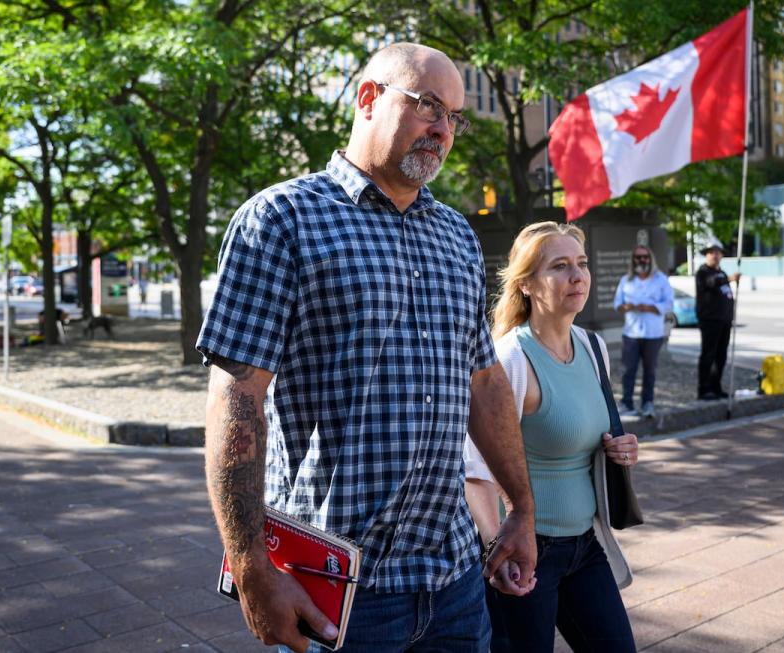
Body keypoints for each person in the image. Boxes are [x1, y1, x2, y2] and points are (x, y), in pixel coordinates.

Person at [196, 43, 537, 653]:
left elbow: (483, 381)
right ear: (368, 98)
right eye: (428, 105)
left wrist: (521, 509)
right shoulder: (280, 220)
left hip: (453, 580)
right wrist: (249, 567)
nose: (443, 128)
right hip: (337, 591)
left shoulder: (457, 234)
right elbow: (237, 397)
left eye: (455, 117)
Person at [464, 222, 638, 653]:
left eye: (580, 264)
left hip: (586, 545)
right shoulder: (510, 358)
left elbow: (580, 433)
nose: (577, 276)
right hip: (526, 552)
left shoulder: (594, 348)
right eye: (559, 267)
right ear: (526, 285)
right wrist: (496, 552)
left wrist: (618, 448)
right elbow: (474, 471)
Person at [613, 244, 673, 418]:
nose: (641, 260)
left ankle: (648, 403)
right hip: (631, 333)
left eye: (645, 257)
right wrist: (627, 307)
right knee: (628, 370)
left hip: (653, 334)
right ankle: (627, 403)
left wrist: (651, 307)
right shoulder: (626, 280)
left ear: (650, 259)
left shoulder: (660, 279)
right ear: (633, 260)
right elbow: (618, 304)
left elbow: (669, 303)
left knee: (650, 371)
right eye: (638, 257)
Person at [695, 237, 740, 400]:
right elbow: (710, 283)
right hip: (710, 320)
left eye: (717, 253)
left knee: (721, 356)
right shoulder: (703, 272)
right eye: (711, 253)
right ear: (706, 255)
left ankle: (716, 386)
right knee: (708, 354)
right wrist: (729, 279)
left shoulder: (722, 272)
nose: (715, 255)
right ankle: (704, 388)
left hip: (724, 320)